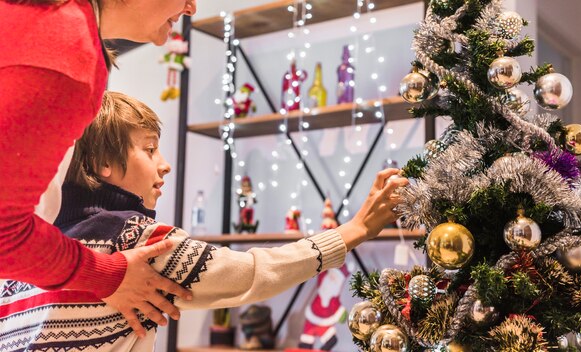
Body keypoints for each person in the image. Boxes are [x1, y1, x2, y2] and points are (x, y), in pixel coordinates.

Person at [0, 91, 408, 351]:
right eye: (150, 149)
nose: (165, 166)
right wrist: (354, 231)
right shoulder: (134, 242)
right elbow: (253, 274)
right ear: (102, 164)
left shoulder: (31, 257)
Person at [0, 0, 198, 337]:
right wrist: (107, 274)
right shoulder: (64, 51)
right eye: (149, 149)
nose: (192, 7)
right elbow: (4, 232)